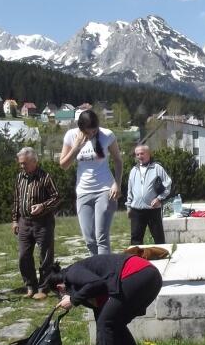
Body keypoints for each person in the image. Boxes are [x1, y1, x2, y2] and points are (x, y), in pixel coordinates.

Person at [40, 252, 162, 345]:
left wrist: (73, 299)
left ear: (60, 288)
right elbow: (101, 322)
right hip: (150, 277)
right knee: (115, 324)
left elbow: (97, 283)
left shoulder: (72, 273)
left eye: (60, 296)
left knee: (108, 323)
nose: (62, 298)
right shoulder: (88, 287)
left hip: (137, 274)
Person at [59, 110, 123, 255]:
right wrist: (76, 147)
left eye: (94, 131)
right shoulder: (71, 136)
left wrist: (117, 184)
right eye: (88, 132)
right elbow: (63, 165)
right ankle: (97, 272)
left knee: (101, 238)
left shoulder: (107, 135)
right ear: (81, 128)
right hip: (83, 191)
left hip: (105, 189)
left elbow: (118, 161)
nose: (92, 134)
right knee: (89, 240)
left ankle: (106, 275)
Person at [12, 147, 61, 299]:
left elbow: (57, 197)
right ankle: (30, 286)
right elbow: (16, 199)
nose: (22, 166)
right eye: (20, 163)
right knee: (23, 255)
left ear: (34, 161)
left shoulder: (45, 177)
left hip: (43, 222)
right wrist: (14, 220)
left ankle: (43, 288)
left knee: (45, 256)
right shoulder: (20, 177)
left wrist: (43, 206)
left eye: (24, 163)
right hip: (24, 222)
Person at [126, 144, 172, 246]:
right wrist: (128, 206)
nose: (139, 156)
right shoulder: (134, 170)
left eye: (142, 153)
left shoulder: (157, 168)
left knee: (158, 237)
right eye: (137, 154)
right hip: (137, 210)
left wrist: (159, 199)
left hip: (153, 209)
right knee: (135, 239)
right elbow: (130, 189)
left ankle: (162, 257)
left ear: (148, 154)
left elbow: (168, 184)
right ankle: (135, 260)